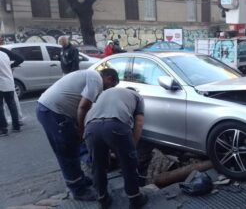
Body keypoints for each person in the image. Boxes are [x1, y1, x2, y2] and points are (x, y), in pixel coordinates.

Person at [36, 68, 119, 201]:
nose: (107, 90)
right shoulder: (96, 79)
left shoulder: (89, 75)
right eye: (111, 86)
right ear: (109, 79)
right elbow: (83, 107)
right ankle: (78, 190)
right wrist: (82, 130)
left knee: (73, 148)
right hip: (54, 113)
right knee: (67, 153)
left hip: (50, 109)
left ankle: (79, 179)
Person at [84, 87, 148, 209]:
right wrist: (131, 148)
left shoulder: (105, 93)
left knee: (97, 165)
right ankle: (135, 199)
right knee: (128, 163)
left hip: (90, 127)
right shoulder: (137, 96)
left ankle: (102, 199)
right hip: (115, 125)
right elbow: (138, 123)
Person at [0, 37, 25, 126]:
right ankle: (18, 121)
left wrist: (11, 66)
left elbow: (20, 58)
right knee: (13, 102)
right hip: (9, 80)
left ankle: (5, 124)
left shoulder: (3, 52)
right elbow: (20, 58)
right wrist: (11, 66)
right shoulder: (5, 52)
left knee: (3, 105)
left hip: (4, 81)